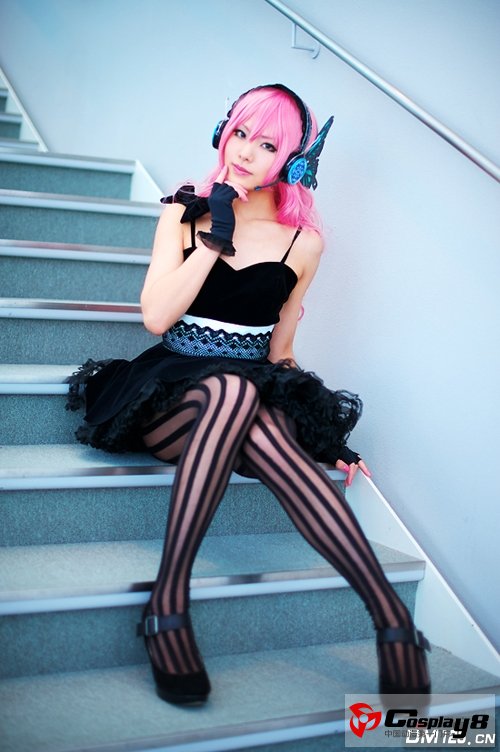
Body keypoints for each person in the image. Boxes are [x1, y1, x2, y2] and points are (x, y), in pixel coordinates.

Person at [67, 84, 431, 706]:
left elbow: (280, 350)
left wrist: (324, 434)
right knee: (233, 390)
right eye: (240, 133)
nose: (245, 152)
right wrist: (217, 233)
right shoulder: (184, 213)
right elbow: (156, 318)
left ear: (291, 161)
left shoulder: (303, 244)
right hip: (169, 397)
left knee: (246, 401)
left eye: (267, 145)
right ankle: (389, 623)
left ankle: (388, 624)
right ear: (223, 133)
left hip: (241, 400)